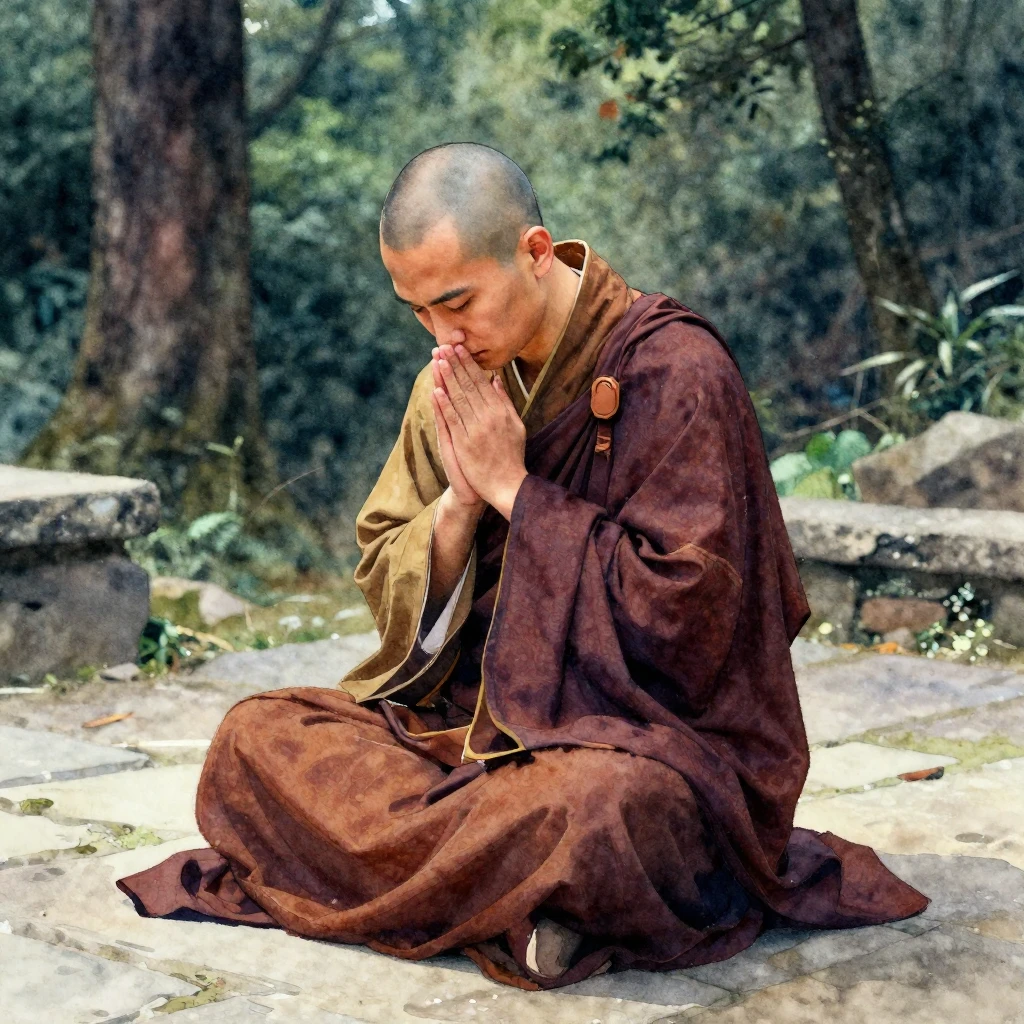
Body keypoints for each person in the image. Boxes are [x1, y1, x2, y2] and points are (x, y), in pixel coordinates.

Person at [118, 142, 928, 989]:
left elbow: (691, 625)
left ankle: (490, 881)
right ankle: (530, 901)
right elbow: (388, 572)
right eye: (418, 310)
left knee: (602, 816)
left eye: (457, 301)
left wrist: (516, 489)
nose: (441, 336)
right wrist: (461, 506)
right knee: (257, 739)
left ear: (535, 252)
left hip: (645, 745)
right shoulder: (458, 377)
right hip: (470, 735)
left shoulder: (677, 370)